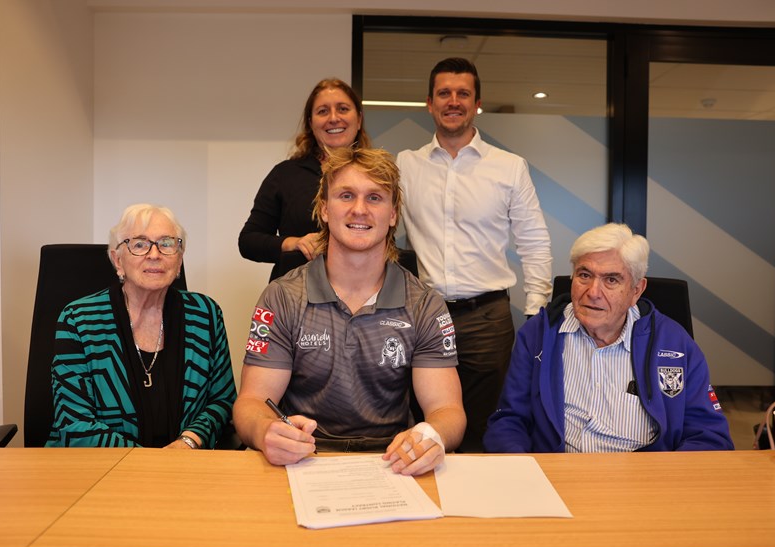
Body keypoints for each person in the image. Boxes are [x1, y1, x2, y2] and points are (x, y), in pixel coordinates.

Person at [234, 147, 466, 476]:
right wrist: (265, 431)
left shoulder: (424, 304)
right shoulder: (281, 297)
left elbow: (448, 410)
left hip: (393, 460)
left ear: (394, 214)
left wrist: (430, 436)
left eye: (375, 198)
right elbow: (252, 402)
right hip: (302, 458)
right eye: (346, 195)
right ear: (325, 209)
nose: (360, 210)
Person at [397, 57, 552, 452]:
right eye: (444, 93)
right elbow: (383, 234)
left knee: (486, 429)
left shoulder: (509, 168)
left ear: (476, 103)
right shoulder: (405, 166)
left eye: (463, 93)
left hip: (488, 319)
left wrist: (537, 313)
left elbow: (533, 240)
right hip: (424, 316)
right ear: (429, 103)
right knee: (425, 424)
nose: (454, 101)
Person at [484, 223, 734, 453]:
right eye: (584, 275)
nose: (593, 292)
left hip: (644, 483)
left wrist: (663, 483)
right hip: (559, 478)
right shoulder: (538, 334)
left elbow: (710, 436)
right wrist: (528, 475)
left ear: (636, 290)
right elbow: (508, 420)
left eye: (611, 280)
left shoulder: (674, 344)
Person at [46, 203, 237, 448]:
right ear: (117, 260)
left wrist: (188, 442)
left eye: (167, 243)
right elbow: (74, 423)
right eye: (139, 244)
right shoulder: (79, 319)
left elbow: (222, 401)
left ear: (179, 260)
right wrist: (150, 464)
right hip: (98, 472)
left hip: (186, 467)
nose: (154, 254)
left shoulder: (206, 314)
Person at [238, 78, 372, 280]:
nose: (333, 118)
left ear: (359, 119)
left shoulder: (377, 176)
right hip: (295, 296)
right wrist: (293, 243)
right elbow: (248, 242)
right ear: (311, 123)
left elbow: (387, 239)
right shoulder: (284, 174)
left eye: (343, 109)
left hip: (364, 291)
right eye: (323, 111)